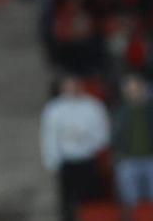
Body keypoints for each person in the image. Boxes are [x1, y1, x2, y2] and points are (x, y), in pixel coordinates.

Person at [41, 76, 110, 221]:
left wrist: (84, 137)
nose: (71, 90)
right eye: (68, 87)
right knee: (67, 202)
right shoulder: (54, 109)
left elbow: (103, 134)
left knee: (91, 201)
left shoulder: (93, 106)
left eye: (74, 86)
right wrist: (52, 160)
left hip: (88, 159)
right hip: (66, 161)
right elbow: (49, 136)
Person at [113, 75, 153, 217]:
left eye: (137, 89)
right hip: (128, 161)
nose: (134, 93)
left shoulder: (150, 110)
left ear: (143, 90)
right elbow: (115, 137)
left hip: (150, 159)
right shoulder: (120, 112)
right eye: (131, 90)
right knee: (130, 202)